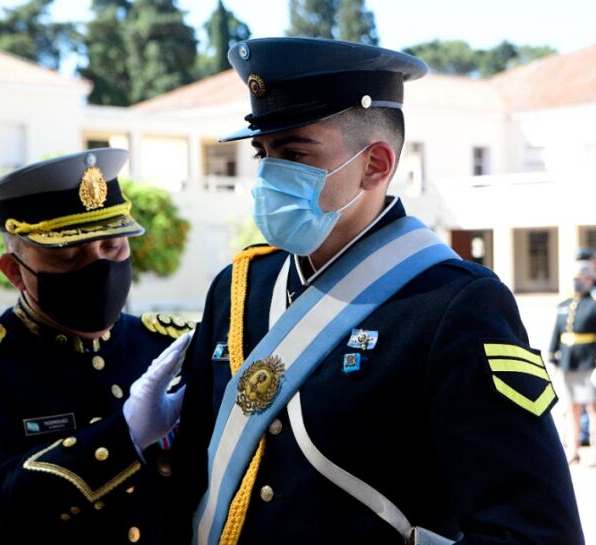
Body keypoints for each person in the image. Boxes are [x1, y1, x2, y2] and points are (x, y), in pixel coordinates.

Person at [171, 38, 583, 545]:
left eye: (294, 153)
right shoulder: (240, 288)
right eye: (264, 153)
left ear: (376, 165)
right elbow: (190, 478)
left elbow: (535, 532)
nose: (267, 175)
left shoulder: (454, 305)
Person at [0, 148, 192, 545]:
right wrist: (122, 435)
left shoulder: (168, 346)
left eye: (112, 248)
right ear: (15, 271)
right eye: (69, 255)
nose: (98, 267)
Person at [549, 262, 596, 464]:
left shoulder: (593, 305)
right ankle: (573, 449)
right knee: (571, 408)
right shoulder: (564, 305)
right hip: (568, 362)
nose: (579, 282)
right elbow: (558, 332)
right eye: (576, 279)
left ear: (590, 281)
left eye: (582, 279)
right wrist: (552, 353)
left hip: (589, 362)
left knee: (593, 409)